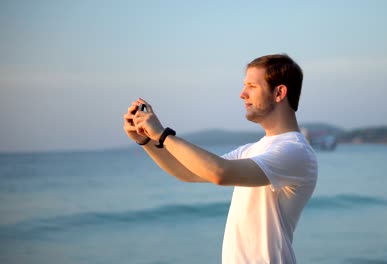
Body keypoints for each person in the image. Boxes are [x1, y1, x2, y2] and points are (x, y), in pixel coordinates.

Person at [123, 54, 318, 263]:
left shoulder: (295, 151)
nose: (243, 94)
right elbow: (188, 172)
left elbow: (220, 173)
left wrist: (162, 134)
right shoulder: (252, 150)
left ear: (279, 92)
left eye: (252, 85)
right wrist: (146, 141)